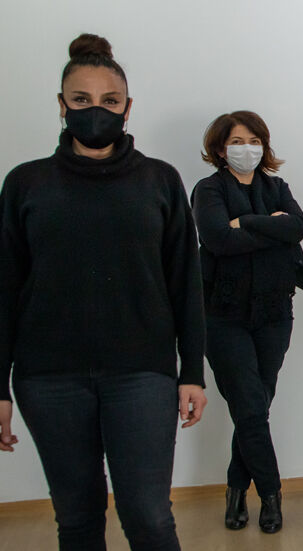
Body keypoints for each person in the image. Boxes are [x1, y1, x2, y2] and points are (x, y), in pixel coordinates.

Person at [0, 34, 207, 550]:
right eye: (82, 99)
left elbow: (186, 283)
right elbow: (4, 288)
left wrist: (192, 372)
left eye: (110, 101)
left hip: (142, 373)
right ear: (62, 104)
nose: (96, 111)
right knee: (76, 519)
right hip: (48, 377)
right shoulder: (25, 184)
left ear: (128, 108)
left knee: (150, 518)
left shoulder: (160, 181)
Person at [191, 111, 303, 534]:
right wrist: (272, 229)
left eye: (255, 140)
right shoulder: (208, 189)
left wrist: (246, 223)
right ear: (221, 149)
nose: (248, 148)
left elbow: (298, 228)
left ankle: (236, 489)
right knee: (251, 407)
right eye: (238, 141)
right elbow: (218, 239)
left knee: (254, 407)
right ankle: (271, 495)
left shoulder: (277, 187)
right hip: (224, 317)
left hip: (275, 313)